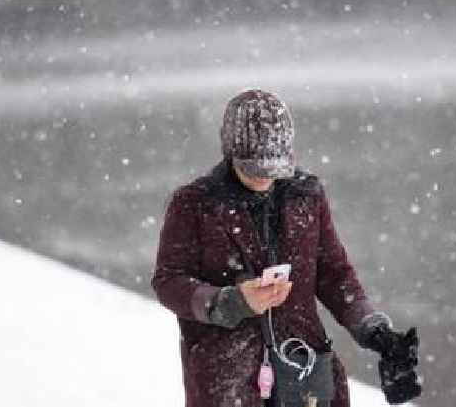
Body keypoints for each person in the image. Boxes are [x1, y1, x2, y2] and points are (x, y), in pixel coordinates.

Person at [152, 89, 420, 407]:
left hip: (305, 375)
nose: (266, 177)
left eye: (275, 167)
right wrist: (230, 302)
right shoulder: (193, 203)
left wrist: (374, 331)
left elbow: (334, 275)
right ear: (230, 151)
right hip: (226, 381)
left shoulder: (307, 196)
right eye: (255, 168)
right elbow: (168, 281)